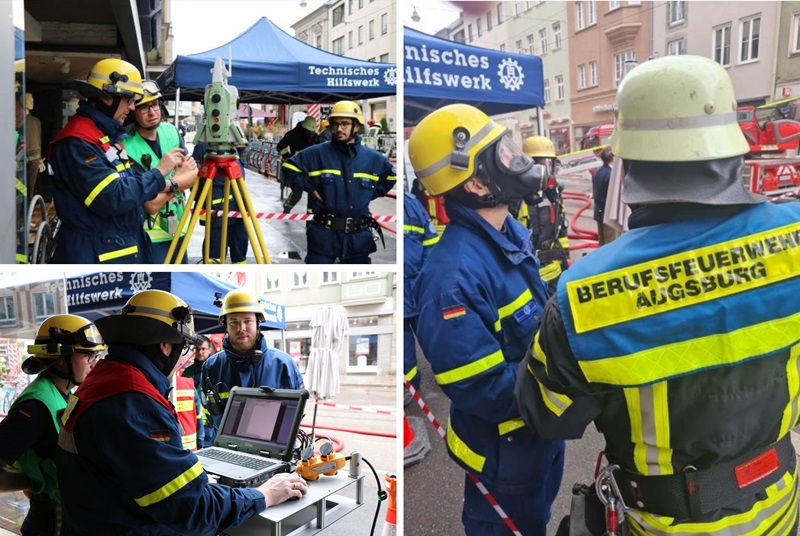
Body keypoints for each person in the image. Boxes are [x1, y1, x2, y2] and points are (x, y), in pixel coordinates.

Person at [515, 55, 800, 536]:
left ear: (627, 163)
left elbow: (548, 416)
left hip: (663, 523)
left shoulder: (583, 296)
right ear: (734, 148)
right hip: (778, 509)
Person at [407, 103, 565, 535]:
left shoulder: (509, 232)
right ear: (476, 181)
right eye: (503, 153)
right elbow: (485, 389)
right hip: (505, 455)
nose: (517, 160)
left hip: (539, 437)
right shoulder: (452, 280)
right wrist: (568, 381)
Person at [57, 290, 307, 535]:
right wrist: (264, 494)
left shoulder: (100, 382)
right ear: (166, 346)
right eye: (185, 348)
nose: (184, 359)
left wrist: (193, 480)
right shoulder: (137, 404)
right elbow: (195, 511)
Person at [48, 58, 197, 263]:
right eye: (130, 100)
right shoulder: (77, 141)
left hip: (115, 249)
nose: (132, 107)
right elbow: (113, 197)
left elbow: (128, 184)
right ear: (109, 98)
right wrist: (162, 173)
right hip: (95, 256)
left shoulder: (104, 136)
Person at [0, 315, 104, 535]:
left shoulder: (64, 393)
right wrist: (34, 482)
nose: (95, 362)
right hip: (50, 524)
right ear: (59, 357)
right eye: (88, 355)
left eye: (97, 354)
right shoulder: (35, 406)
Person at [282, 100, 396, 264]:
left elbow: (391, 177)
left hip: (357, 240)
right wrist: (310, 188)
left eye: (344, 124)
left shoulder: (373, 159)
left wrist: (368, 194)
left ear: (356, 127)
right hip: (323, 237)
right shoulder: (317, 153)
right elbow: (288, 165)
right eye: (335, 124)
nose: (339, 129)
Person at [201, 290, 304, 445]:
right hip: (228, 453)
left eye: (247, 321)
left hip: (275, 454)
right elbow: (209, 413)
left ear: (258, 323)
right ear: (226, 326)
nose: (241, 328)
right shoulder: (211, 367)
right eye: (234, 322)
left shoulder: (284, 365)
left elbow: (296, 415)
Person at [124, 80, 193, 264]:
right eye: (143, 107)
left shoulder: (170, 131)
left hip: (178, 229)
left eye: (154, 104)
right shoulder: (126, 146)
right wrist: (178, 180)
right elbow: (151, 205)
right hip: (150, 236)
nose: (152, 112)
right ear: (133, 112)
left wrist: (166, 187)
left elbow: (193, 175)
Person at [521, 135, 571, 294]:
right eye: (541, 165)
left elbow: (561, 229)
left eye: (550, 165)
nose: (546, 172)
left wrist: (565, 260)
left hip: (556, 273)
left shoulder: (553, 194)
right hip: (531, 277)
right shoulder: (517, 198)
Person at [402, 189, 438, 405]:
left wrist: (426, 280)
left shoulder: (411, 205)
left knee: (434, 338)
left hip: (418, 289)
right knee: (405, 348)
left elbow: (429, 243)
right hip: (405, 292)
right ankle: (410, 386)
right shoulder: (410, 204)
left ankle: (448, 373)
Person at [192, 141, 249, 263]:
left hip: (238, 207)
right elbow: (196, 179)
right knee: (214, 252)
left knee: (239, 249)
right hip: (217, 209)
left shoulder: (229, 145)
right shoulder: (202, 147)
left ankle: (239, 278)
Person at [276, 116, 318, 213]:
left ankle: (309, 217)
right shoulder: (292, 135)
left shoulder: (315, 137)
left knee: (312, 194)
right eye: (307, 130)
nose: (309, 132)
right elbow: (280, 146)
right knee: (297, 193)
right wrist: (289, 157)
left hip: (310, 170)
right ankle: (287, 207)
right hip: (295, 169)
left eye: (311, 131)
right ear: (303, 127)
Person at [182, 335, 215, 448]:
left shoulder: (214, 369)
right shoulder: (188, 371)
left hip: (209, 422)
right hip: (192, 420)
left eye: (203, 349)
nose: (200, 352)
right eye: (197, 349)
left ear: (210, 350)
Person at [25, 93, 45, 201]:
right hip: (20, 157)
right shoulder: (16, 121)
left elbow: (39, 140)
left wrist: (40, 159)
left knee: (30, 188)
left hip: (34, 158)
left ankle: (27, 211)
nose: (32, 101)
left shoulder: (36, 121)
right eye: (30, 99)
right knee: (19, 187)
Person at [591, 145, 613, 245]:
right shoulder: (611, 174)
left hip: (599, 212)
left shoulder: (598, 171)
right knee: (611, 243)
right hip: (609, 215)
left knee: (602, 243)